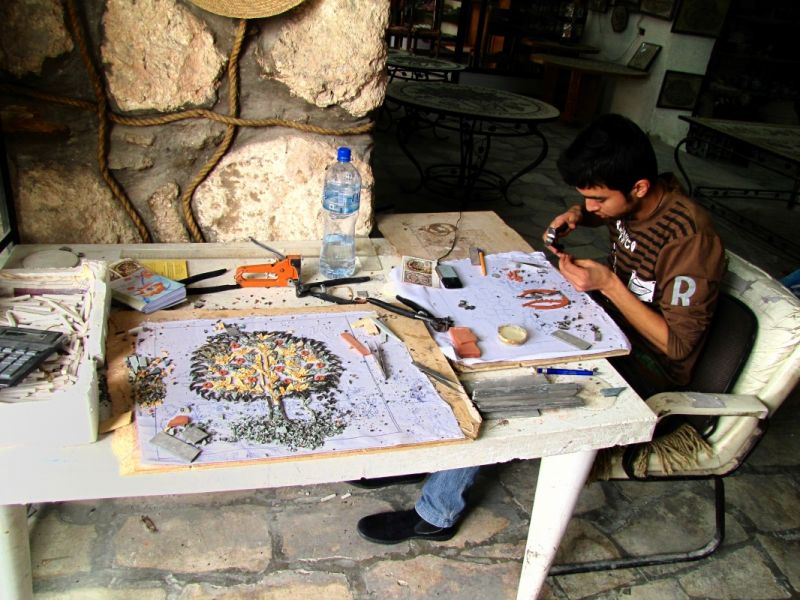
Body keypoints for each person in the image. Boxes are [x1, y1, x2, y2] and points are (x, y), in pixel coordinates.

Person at [356, 114, 726, 544]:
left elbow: (676, 346)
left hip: (645, 364)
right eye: (585, 198)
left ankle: (436, 514)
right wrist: (579, 215)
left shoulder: (689, 239)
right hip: (605, 326)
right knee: (469, 336)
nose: (593, 207)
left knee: (501, 389)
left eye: (598, 200)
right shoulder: (639, 195)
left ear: (640, 187)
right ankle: (428, 456)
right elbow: (618, 215)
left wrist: (609, 284)